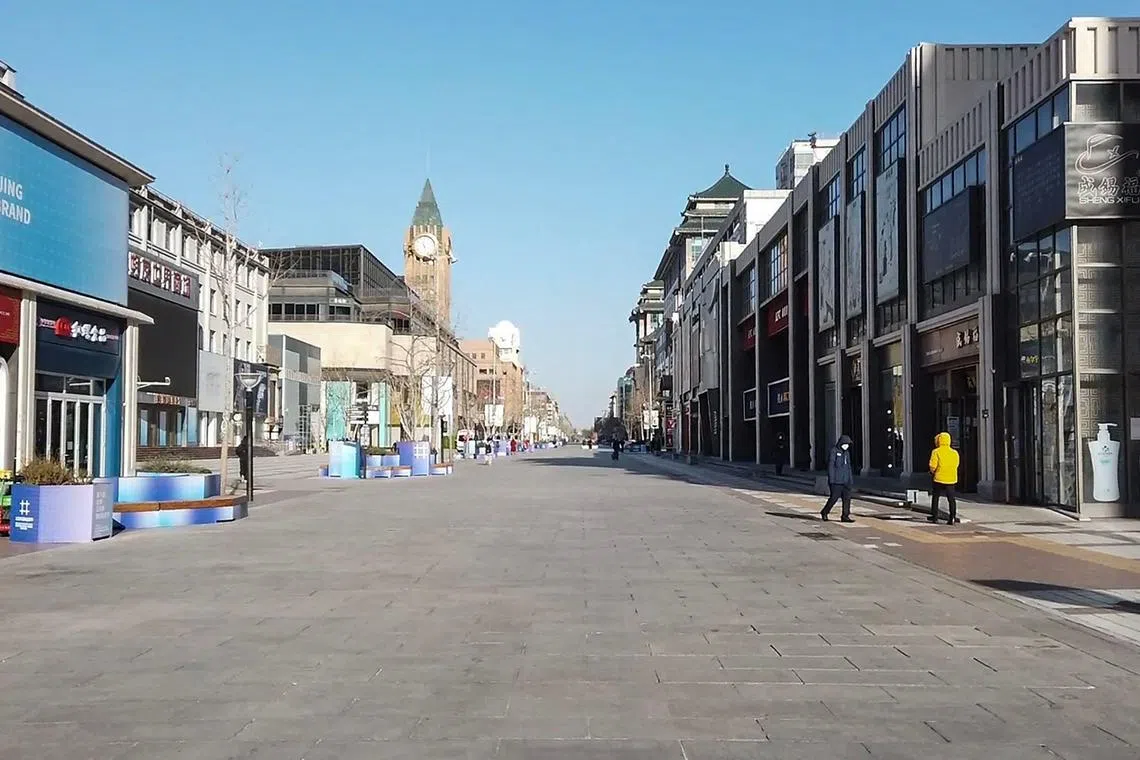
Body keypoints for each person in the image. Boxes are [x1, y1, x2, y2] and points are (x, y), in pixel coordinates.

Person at [820, 434, 855, 523]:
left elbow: (848, 467)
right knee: (834, 498)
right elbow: (831, 466)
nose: (847, 446)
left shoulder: (846, 453)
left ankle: (845, 515)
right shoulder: (834, 451)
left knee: (847, 499)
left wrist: (850, 480)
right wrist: (831, 480)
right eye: (845, 444)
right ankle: (825, 512)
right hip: (836, 481)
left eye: (848, 444)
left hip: (846, 481)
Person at [928, 432, 961, 524]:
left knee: (936, 497)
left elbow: (932, 465)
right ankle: (952, 517)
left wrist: (932, 472)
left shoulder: (936, 452)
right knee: (951, 499)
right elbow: (957, 464)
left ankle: (934, 516)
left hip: (938, 477)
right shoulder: (954, 453)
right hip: (951, 478)